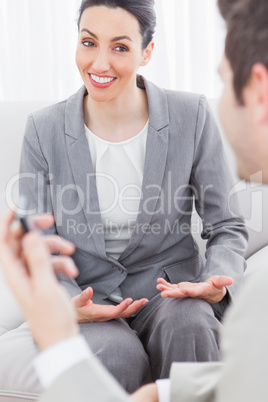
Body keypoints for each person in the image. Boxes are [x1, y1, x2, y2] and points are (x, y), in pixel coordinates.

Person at [0, 0, 247, 397]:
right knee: (114, 354)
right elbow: (37, 243)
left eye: (119, 47)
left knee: (192, 324)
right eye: (88, 42)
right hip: (90, 300)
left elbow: (227, 225)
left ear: (146, 52)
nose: (99, 63)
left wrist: (215, 282)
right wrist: (66, 302)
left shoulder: (191, 115)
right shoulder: (44, 130)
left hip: (171, 292)